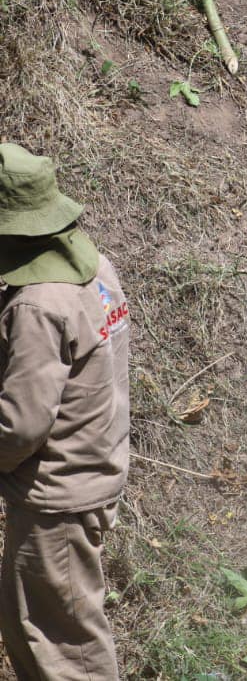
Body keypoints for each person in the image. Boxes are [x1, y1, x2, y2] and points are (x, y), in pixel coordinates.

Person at [0, 143, 129, 680]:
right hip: (93, 469)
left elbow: (21, 425)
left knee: (62, 647)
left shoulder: (36, 305)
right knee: (45, 624)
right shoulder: (94, 268)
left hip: (56, 496)